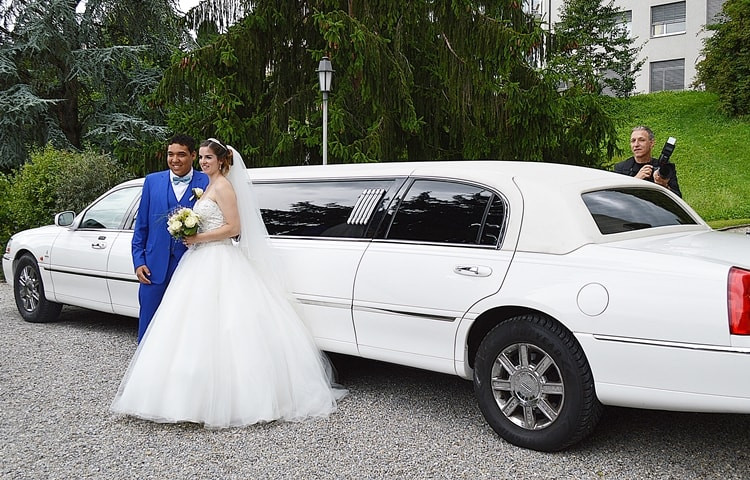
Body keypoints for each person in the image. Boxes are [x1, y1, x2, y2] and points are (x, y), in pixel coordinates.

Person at [111, 138, 345, 427]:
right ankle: (180, 391)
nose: (203, 163)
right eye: (202, 158)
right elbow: (145, 226)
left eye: (208, 158)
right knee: (187, 328)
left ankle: (229, 398)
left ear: (221, 160)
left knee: (227, 327)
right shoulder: (206, 186)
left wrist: (197, 237)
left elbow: (235, 228)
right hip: (196, 262)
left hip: (218, 260)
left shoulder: (222, 186)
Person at [131, 134, 210, 342]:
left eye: (181, 155)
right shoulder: (152, 181)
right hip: (153, 268)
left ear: (193, 156)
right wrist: (139, 262)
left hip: (191, 266)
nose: (175, 159)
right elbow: (142, 226)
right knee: (148, 323)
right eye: (170, 154)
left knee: (187, 326)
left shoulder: (208, 181)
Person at [613, 126, 682, 197]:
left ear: (651, 143)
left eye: (641, 140)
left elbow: (678, 199)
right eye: (633, 141)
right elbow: (616, 197)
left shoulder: (665, 168)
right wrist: (636, 180)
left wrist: (664, 185)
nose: (636, 145)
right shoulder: (621, 168)